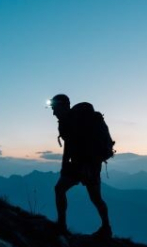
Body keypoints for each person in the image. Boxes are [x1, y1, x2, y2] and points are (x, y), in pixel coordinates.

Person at [48, 94, 112, 239]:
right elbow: (68, 145)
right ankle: (106, 228)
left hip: (87, 164)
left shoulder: (75, 122)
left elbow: (74, 145)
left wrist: (67, 166)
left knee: (64, 190)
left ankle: (62, 225)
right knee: (95, 198)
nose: (53, 113)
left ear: (64, 106)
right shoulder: (66, 122)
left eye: (55, 108)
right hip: (84, 164)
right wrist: (64, 166)